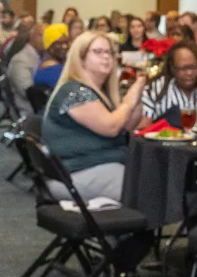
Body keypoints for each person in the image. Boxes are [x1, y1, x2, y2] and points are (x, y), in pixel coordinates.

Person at [40, 30, 151, 202]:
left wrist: (137, 95)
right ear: (81, 58)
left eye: (109, 52)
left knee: (154, 177)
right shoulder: (74, 92)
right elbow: (111, 127)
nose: (106, 57)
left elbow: (128, 125)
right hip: (77, 174)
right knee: (152, 188)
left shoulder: (97, 92)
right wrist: (129, 100)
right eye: (98, 52)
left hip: (97, 167)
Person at [140, 40, 197, 127]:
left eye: (193, 67)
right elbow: (142, 129)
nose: (189, 73)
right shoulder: (154, 90)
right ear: (172, 68)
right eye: (183, 68)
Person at [28, 25, 70, 112]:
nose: (65, 46)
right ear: (49, 46)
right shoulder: (52, 69)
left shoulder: (46, 62)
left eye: (66, 42)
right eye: (59, 43)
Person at [5, 20, 43, 114]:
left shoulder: (41, 57)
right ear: (32, 36)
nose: (46, 40)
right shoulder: (20, 60)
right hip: (30, 111)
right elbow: (29, 94)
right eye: (42, 35)